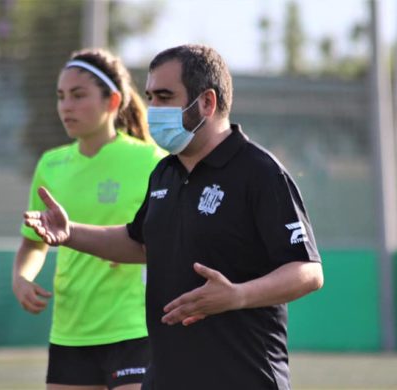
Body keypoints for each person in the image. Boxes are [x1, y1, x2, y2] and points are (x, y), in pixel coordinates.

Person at [24, 44, 324, 390]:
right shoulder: (164, 172)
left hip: (243, 378)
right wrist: (70, 232)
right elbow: (139, 244)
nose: (153, 110)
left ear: (207, 103)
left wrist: (237, 295)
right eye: (150, 97)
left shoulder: (259, 172)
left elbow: (308, 271)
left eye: (165, 97)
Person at [13, 48, 165, 390]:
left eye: (78, 95)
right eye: (61, 97)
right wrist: (22, 279)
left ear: (112, 101)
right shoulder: (50, 165)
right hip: (71, 329)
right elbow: (32, 242)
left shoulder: (152, 160)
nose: (66, 106)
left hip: (134, 326)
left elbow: (168, 235)